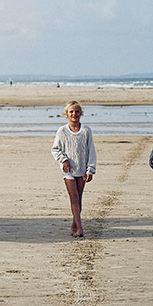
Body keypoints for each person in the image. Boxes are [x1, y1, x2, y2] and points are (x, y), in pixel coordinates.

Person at [51, 101, 96, 237]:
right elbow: (55, 149)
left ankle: (74, 224)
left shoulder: (86, 131)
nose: (74, 114)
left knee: (79, 198)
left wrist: (90, 169)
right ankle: (80, 228)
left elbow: (91, 151)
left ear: (80, 113)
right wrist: (63, 160)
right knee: (74, 197)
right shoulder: (62, 131)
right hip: (68, 170)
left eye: (76, 111)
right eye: (71, 112)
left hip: (82, 169)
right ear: (66, 114)